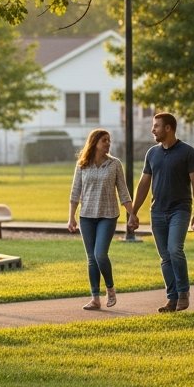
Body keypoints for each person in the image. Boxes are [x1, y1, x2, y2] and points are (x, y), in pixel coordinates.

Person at [126, 113, 194, 312]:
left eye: (156, 126)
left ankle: (183, 292)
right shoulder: (152, 153)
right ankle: (172, 298)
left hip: (180, 210)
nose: (153, 130)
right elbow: (144, 184)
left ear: (168, 128)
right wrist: (133, 212)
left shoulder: (187, 152)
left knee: (174, 250)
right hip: (157, 212)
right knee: (165, 257)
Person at [67, 129, 134, 310]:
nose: (108, 143)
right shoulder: (82, 165)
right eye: (104, 140)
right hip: (86, 216)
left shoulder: (114, 164)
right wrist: (71, 217)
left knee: (100, 254)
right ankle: (95, 298)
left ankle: (110, 289)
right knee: (91, 258)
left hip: (108, 215)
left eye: (109, 140)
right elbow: (75, 192)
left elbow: (123, 192)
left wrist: (132, 214)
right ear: (94, 142)